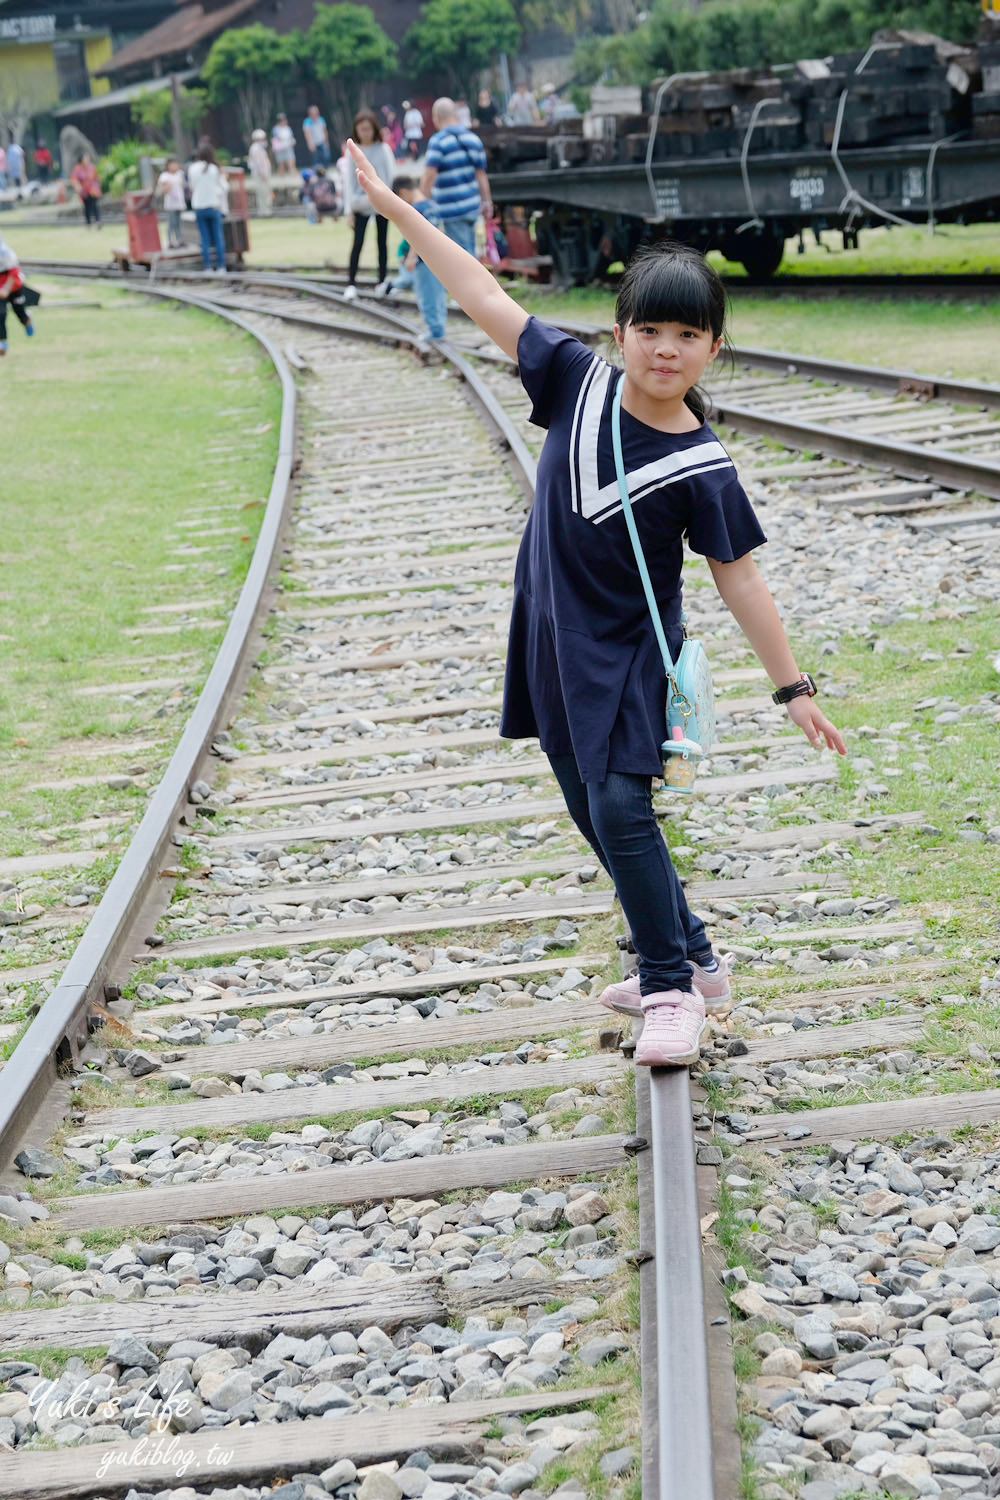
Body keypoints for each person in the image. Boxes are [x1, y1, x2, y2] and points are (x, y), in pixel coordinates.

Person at [346, 135, 849, 1068]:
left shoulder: (704, 466)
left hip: (625, 654)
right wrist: (402, 214)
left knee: (623, 808)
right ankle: (694, 958)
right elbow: (483, 292)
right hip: (547, 630)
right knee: (586, 804)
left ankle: (667, 988)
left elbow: (740, 577)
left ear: (713, 348)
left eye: (687, 336)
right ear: (618, 332)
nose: (666, 349)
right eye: (650, 330)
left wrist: (794, 688)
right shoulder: (576, 382)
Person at [420, 98, 491, 259]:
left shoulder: (438, 142)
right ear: (455, 115)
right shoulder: (473, 139)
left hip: (452, 210)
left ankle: (472, 284)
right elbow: (481, 174)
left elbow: (429, 176)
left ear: (435, 117)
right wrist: (487, 201)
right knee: (471, 251)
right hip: (473, 207)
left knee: (463, 258)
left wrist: (423, 203)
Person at [341, 108, 394, 298]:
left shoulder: (384, 149)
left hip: (381, 203)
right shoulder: (352, 151)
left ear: (374, 129)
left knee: (382, 243)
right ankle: (351, 283)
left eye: (368, 129)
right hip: (359, 204)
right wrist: (348, 210)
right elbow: (348, 183)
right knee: (358, 243)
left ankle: (382, 281)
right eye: (361, 129)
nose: (365, 133)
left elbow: (389, 178)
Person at [386, 175, 447, 341]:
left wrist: (411, 257)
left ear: (404, 192)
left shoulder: (417, 209)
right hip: (438, 258)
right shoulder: (432, 205)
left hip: (423, 260)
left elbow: (416, 237)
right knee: (438, 294)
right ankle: (439, 326)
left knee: (426, 296)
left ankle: (435, 331)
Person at [188, 143, 227, 272]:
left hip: (199, 205)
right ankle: (221, 266)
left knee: (204, 238)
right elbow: (221, 186)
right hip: (213, 205)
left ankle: (208, 266)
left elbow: (192, 187)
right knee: (218, 237)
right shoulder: (214, 169)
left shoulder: (192, 168)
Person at [0, 233, 34, 355]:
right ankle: (2, 343)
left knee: (19, 313)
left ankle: (27, 320)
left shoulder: (6, 253)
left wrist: (6, 288)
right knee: (1, 315)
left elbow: (14, 272)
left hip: (13, 287)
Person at [156, 156, 186, 247]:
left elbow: (183, 186)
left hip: (179, 203)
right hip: (170, 204)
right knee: (171, 223)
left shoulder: (180, 174)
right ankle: (170, 241)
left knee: (178, 223)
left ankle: (179, 240)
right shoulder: (164, 176)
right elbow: (163, 190)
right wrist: (170, 185)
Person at [70, 152, 101, 227]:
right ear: (81, 160)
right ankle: (89, 223)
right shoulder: (77, 168)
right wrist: (78, 186)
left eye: (88, 158)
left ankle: (98, 221)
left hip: (93, 190)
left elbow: (96, 178)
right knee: (87, 207)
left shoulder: (91, 167)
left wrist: (98, 187)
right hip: (84, 191)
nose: (87, 160)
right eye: (85, 158)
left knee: (95, 205)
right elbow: (74, 179)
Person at [247, 129, 273, 215]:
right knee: (263, 193)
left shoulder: (258, 148)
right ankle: (264, 212)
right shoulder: (256, 148)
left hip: (262, 174)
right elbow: (259, 163)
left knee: (264, 193)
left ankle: (265, 211)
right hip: (261, 175)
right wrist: (263, 174)